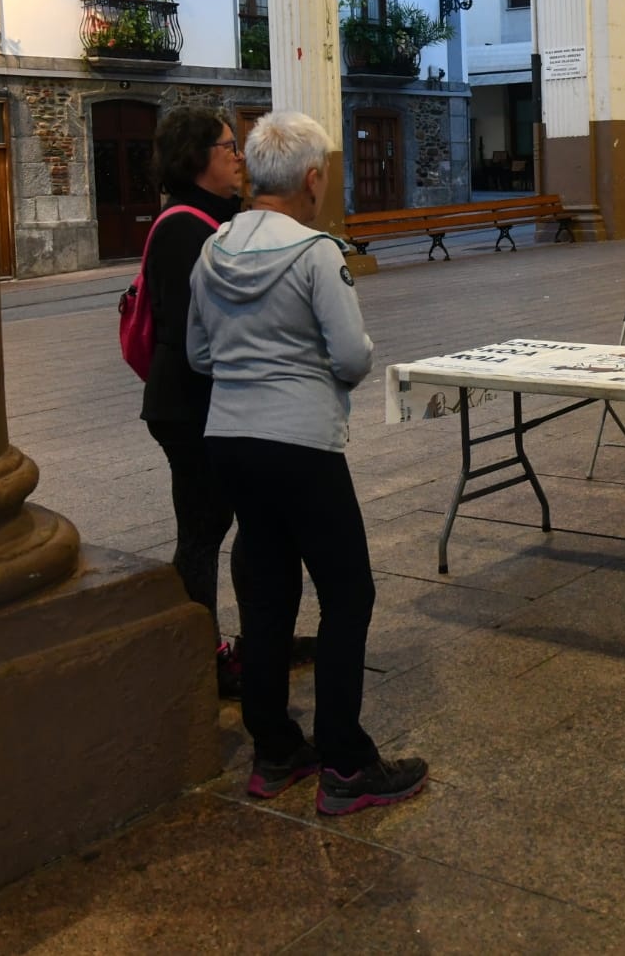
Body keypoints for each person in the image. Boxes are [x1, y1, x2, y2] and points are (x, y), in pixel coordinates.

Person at [188, 111, 427, 816]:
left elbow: (199, 353)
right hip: (300, 443)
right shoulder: (317, 253)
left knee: (266, 592)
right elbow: (351, 356)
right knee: (348, 593)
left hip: (229, 439)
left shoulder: (213, 249)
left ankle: (275, 749)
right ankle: (347, 762)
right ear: (313, 179)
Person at [140, 105, 245, 697]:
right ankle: (198, 658)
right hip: (187, 403)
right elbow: (192, 332)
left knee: (209, 524)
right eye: (229, 147)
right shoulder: (185, 227)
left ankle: (206, 649)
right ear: (199, 157)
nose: (238, 156)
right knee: (202, 532)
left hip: (194, 400)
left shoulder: (208, 217)